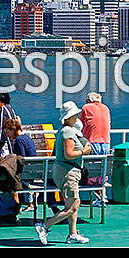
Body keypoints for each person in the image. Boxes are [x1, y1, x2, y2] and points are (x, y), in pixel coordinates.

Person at [34, 101, 92, 245]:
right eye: (75, 115)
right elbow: (69, 154)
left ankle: (72, 234)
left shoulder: (65, 130)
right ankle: (45, 226)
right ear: (69, 116)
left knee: (73, 203)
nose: (77, 117)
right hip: (68, 172)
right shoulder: (68, 131)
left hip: (66, 171)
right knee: (73, 206)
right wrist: (84, 151)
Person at [80, 92, 111, 207]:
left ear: (89, 100)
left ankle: (100, 197)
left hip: (92, 142)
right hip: (106, 142)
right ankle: (103, 196)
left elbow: (81, 125)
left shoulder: (86, 108)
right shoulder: (106, 108)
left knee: (92, 170)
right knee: (102, 170)